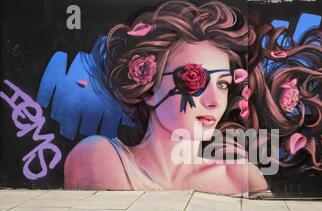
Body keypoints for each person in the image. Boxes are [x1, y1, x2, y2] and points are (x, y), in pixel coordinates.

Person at [64, 1, 268, 195]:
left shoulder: (238, 176)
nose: (214, 101)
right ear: (150, 90)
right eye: (196, 78)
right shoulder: (99, 156)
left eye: (222, 84)